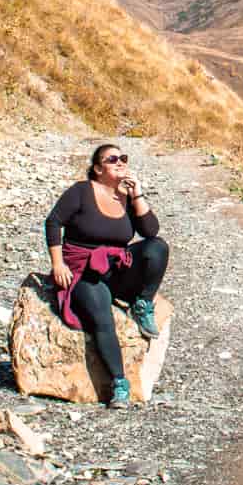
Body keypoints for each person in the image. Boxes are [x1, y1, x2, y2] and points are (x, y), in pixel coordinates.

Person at [44, 144, 170, 408]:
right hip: (84, 269)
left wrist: (137, 194)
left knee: (158, 247)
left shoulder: (125, 196)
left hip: (115, 268)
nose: (120, 163)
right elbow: (53, 222)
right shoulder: (81, 191)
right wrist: (58, 264)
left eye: (123, 158)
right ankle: (119, 384)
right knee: (102, 317)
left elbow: (150, 231)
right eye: (112, 159)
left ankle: (143, 304)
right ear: (98, 168)